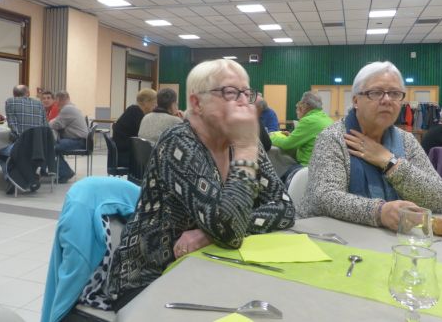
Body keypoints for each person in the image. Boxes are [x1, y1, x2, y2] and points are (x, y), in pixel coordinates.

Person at [108, 59, 295, 309]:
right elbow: (229, 233)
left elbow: (285, 208)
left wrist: (208, 234)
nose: (244, 102)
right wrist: (246, 148)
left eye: (247, 93)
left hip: (208, 267)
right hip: (148, 282)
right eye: (230, 92)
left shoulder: (243, 141)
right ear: (197, 103)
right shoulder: (179, 143)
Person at [298, 61, 442, 230]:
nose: (387, 100)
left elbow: (441, 198)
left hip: (393, 238)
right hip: (329, 235)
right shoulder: (333, 137)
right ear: (356, 100)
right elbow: (324, 197)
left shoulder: (407, 141)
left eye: (394, 93)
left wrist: (390, 162)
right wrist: (379, 212)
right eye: (376, 93)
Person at [0, 85, 48, 188]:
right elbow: (45, 126)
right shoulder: (39, 104)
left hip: (21, 146)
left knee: (0, 151)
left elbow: (12, 126)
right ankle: (29, 177)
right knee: (20, 153)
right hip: (39, 147)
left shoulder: (10, 101)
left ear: (14, 94)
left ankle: (10, 179)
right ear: (28, 93)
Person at [270, 91, 333, 169]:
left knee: (279, 169)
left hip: (308, 167)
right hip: (324, 166)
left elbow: (287, 144)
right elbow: (311, 140)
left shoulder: (308, 120)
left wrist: (270, 137)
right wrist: (292, 136)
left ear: (305, 105)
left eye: (301, 104)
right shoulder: (327, 119)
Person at [49, 91, 88, 183]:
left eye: (56, 101)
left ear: (59, 100)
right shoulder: (71, 107)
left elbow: (56, 124)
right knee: (53, 145)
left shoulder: (67, 109)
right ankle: (63, 171)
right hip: (79, 140)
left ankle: (65, 172)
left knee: (50, 148)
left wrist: (50, 122)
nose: (56, 104)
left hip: (78, 141)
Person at [112, 88, 157, 167]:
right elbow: (145, 135)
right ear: (146, 102)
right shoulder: (136, 113)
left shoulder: (133, 110)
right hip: (125, 156)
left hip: (120, 153)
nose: (156, 106)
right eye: (154, 103)